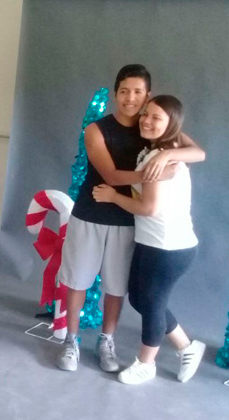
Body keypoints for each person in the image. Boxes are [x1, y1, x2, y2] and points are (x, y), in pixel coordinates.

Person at [56, 64, 205, 372]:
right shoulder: (97, 129)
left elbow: (198, 153)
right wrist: (153, 172)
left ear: (147, 95)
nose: (130, 98)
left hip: (128, 220)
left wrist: (166, 154)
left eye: (138, 92)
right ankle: (71, 341)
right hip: (92, 212)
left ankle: (106, 341)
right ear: (115, 94)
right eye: (124, 91)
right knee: (78, 280)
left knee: (116, 287)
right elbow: (110, 175)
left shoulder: (151, 123)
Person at [93, 95, 205, 385]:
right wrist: (166, 155)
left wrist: (113, 196)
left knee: (152, 302)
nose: (146, 120)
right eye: (146, 114)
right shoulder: (160, 150)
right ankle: (186, 346)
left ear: (171, 125)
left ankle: (146, 363)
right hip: (152, 241)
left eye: (156, 118)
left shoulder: (161, 154)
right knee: (140, 298)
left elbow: (149, 208)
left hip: (169, 245)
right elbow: (197, 153)